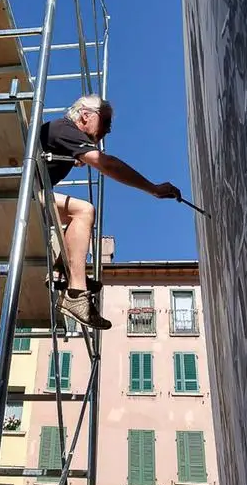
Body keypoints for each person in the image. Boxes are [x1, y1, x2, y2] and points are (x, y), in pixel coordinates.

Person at [39, 94, 182, 330]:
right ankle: (75, 294)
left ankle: (62, 270)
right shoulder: (63, 128)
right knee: (84, 211)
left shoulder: (63, 133)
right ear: (86, 116)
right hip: (24, 193)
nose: (108, 130)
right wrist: (153, 188)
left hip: (31, 193)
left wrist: (73, 156)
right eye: (105, 121)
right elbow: (108, 164)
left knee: (77, 219)